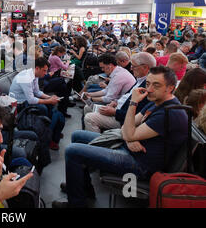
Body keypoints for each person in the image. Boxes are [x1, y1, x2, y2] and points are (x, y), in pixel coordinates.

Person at [53, 66, 188, 208]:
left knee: (73, 151)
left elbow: (129, 131)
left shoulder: (170, 113)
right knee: (77, 136)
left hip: (141, 164)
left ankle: (76, 204)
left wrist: (133, 104)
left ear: (170, 87)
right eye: (147, 84)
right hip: (129, 148)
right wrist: (130, 139)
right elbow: (125, 127)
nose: (149, 89)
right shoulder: (156, 103)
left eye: (156, 85)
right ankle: (82, 189)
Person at [84, 52, 156, 133]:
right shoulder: (140, 80)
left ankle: (97, 142)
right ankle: (87, 136)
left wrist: (114, 112)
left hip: (121, 118)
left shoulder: (147, 87)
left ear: (145, 67)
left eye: (134, 66)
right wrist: (115, 103)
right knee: (88, 107)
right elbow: (125, 97)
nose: (131, 68)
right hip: (118, 109)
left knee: (89, 118)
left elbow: (136, 115)